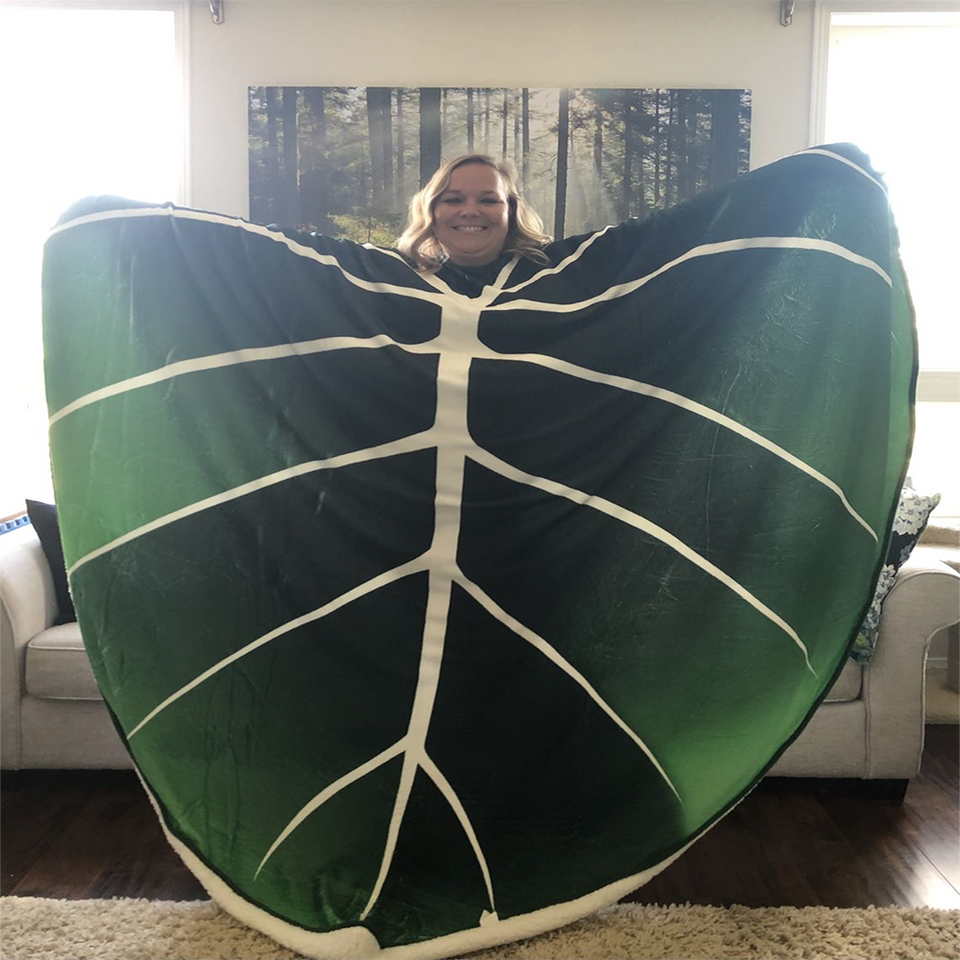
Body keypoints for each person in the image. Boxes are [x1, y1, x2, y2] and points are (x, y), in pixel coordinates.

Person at [397, 154, 552, 293]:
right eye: (453, 200)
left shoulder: (553, 276)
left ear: (511, 211)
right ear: (430, 210)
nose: (470, 211)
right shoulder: (399, 282)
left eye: (488, 201)